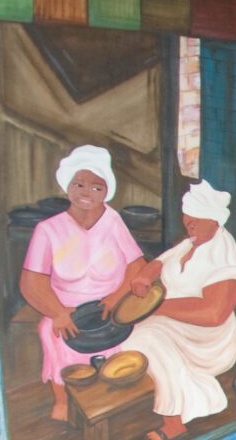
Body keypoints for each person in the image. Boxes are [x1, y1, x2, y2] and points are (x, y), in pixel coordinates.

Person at [20, 145, 148, 421]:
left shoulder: (113, 221)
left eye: (95, 186)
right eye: (78, 184)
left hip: (109, 306)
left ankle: (111, 400)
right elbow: (31, 282)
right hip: (66, 308)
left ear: (106, 191)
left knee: (134, 340)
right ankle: (62, 400)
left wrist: (117, 297)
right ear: (67, 186)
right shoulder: (48, 230)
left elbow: (137, 266)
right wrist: (57, 312)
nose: (86, 192)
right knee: (51, 331)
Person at [118, 180, 236, 440]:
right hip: (173, 320)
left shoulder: (224, 253)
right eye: (188, 219)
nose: (190, 225)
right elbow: (163, 260)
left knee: (146, 340)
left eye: (197, 219)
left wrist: (156, 308)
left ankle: (173, 422)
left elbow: (214, 314)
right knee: (133, 336)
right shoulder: (192, 241)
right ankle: (178, 393)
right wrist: (144, 275)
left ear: (215, 221)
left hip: (208, 338)